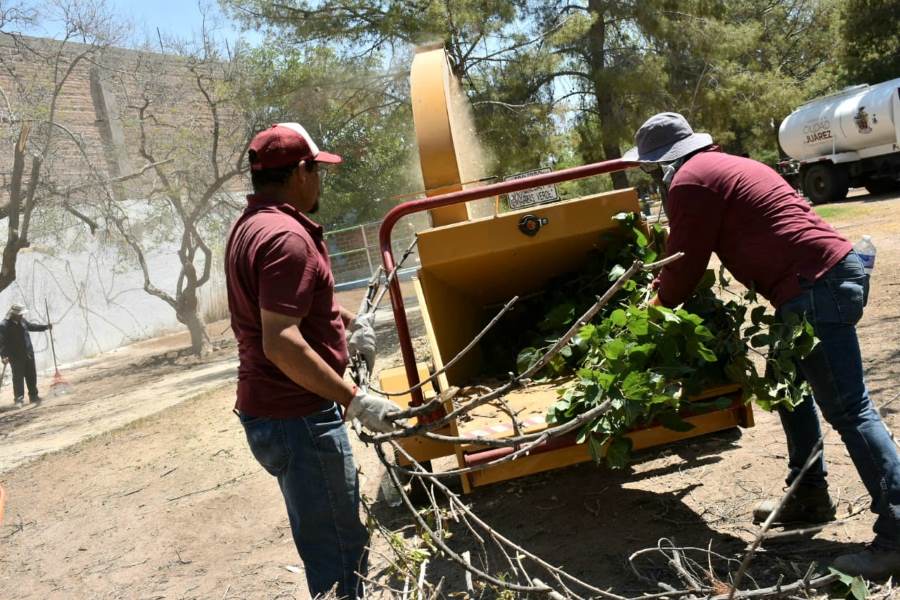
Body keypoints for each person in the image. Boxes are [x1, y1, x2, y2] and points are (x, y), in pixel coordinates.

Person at [625, 112, 900, 579]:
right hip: (824, 278)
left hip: (815, 287)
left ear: (661, 162)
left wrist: (655, 305)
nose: (655, 175)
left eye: (652, 168)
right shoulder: (727, 166)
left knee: (850, 410)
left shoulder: (691, 181)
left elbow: (685, 263)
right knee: (786, 383)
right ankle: (808, 494)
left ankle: (897, 532)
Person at [225, 122, 402, 599]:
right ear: (300, 172)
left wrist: (347, 323)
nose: (320, 181)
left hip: (276, 414)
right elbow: (280, 341)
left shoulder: (252, 226)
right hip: (297, 418)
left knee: (331, 543)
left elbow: (292, 309)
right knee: (339, 553)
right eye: (317, 170)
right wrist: (356, 399)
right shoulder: (288, 239)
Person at [0, 303, 51, 406]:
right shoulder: (4, 325)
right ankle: (18, 400)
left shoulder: (22, 321)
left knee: (31, 376)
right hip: (16, 356)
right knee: (18, 378)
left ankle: (33, 396)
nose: (22, 316)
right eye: (20, 314)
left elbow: (32, 326)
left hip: (28, 353)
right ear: (13, 314)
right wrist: (3, 356)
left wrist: (45, 327)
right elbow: (1, 342)